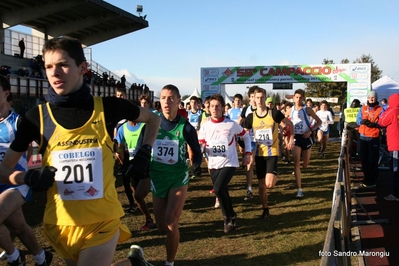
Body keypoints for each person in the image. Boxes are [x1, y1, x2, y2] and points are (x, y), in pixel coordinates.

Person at [0, 36, 161, 266]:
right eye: (48, 66)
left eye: (63, 64)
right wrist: (30, 176)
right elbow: (5, 169)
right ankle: (134, 263)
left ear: (83, 68)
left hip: (102, 219)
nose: (55, 73)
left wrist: (145, 151)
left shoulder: (109, 107)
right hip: (60, 223)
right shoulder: (36, 118)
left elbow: (153, 120)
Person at [0, 75, 53, 266]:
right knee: (19, 227)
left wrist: (34, 176)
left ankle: (15, 258)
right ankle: (41, 257)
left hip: (17, 183)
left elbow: (35, 150)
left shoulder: (18, 123)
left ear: (6, 94)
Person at [150, 84, 202, 266]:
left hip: (178, 177)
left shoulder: (186, 127)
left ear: (179, 102)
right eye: (163, 98)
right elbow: (143, 146)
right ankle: (172, 237)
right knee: (161, 226)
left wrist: (196, 164)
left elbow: (197, 151)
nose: (166, 102)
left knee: (171, 221)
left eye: (171, 98)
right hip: (157, 177)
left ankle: (169, 262)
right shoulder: (152, 123)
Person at [198, 94, 252, 233]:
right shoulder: (205, 126)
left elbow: (245, 136)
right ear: (208, 109)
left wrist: (248, 153)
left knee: (217, 189)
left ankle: (227, 217)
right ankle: (231, 215)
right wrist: (199, 151)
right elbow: (202, 145)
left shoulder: (231, 124)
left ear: (223, 108)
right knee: (222, 191)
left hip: (229, 162)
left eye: (217, 106)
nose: (214, 109)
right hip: (213, 163)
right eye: (212, 106)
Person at [243, 87, 294, 219]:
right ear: (253, 99)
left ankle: (273, 173)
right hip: (259, 154)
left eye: (262, 97)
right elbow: (243, 133)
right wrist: (246, 147)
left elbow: (290, 124)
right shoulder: (250, 117)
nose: (259, 100)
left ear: (265, 98)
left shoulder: (274, 114)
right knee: (261, 186)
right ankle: (265, 209)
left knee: (269, 184)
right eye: (257, 97)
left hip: (272, 152)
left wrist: (291, 139)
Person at [115, 119, 156, 231]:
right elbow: (121, 145)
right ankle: (149, 219)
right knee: (137, 197)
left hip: (146, 163)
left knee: (139, 195)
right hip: (132, 165)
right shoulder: (122, 128)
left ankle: (159, 216)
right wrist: (120, 155)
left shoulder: (144, 126)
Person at [290, 89, 322, 198]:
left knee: (305, 164)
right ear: (293, 98)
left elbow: (319, 122)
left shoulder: (307, 110)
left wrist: (310, 130)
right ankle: (299, 189)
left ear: (303, 98)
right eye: (296, 97)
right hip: (296, 138)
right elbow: (284, 122)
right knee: (296, 163)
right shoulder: (290, 110)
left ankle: (299, 169)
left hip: (306, 137)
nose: (298, 99)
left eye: (300, 97)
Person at [356, 91, 383, 188]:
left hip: (373, 137)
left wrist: (376, 124)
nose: (371, 99)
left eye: (373, 98)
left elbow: (382, 121)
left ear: (376, 99)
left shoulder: (380, 109)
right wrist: (362, 121)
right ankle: (366, 177)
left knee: (373, 159)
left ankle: (373, 179)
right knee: (364, 158)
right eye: (369, 97)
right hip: (363, 136)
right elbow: (358, 120)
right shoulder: (363, 108)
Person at [237, 86, 257, 200]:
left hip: (263, 141)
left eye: (256, 96)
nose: (255, 99)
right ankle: (249, 189)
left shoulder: (263, 109)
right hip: (250, 140)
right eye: (252, 96)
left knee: (258, 164)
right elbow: (239, 123)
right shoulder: (245, 110)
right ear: (249, 98)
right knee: (250, 163)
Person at [378, 94, 399, 201]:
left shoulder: (392, 111)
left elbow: (381, 122)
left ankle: (396, 194)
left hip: (396, 144)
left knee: (396, 169)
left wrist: (387, 110)